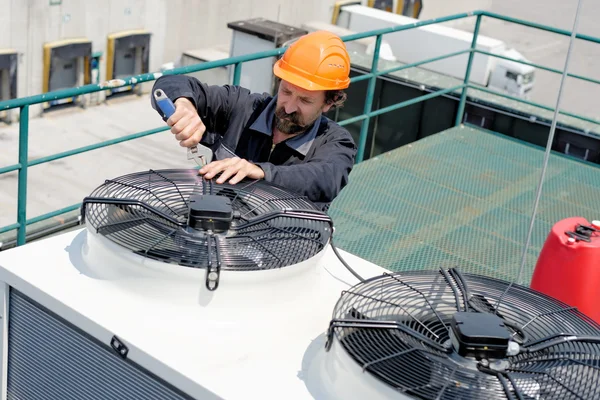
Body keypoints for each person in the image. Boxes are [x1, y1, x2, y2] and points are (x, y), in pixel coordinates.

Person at [151, 30, 357, 212]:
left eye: (305, 100)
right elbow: (169, 82)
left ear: (330, 102)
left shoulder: (337, 142)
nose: (289, 107)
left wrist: (260, 171)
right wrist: (183, 103)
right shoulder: (241, 106)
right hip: (216, 233)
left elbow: (326, 179)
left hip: (288, 245)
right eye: (286, 91)